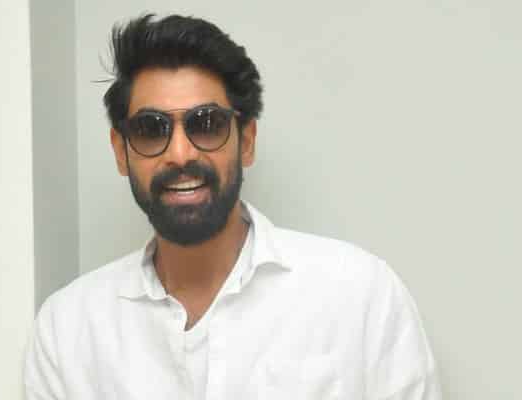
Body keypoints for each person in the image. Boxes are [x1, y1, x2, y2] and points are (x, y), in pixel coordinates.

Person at [24, 14, 441, 400]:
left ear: (247, 141)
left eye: (207, 124)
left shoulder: (359, 297)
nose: (180, 154)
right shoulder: (69, 330)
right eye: (151, 129)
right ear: (121, 151)